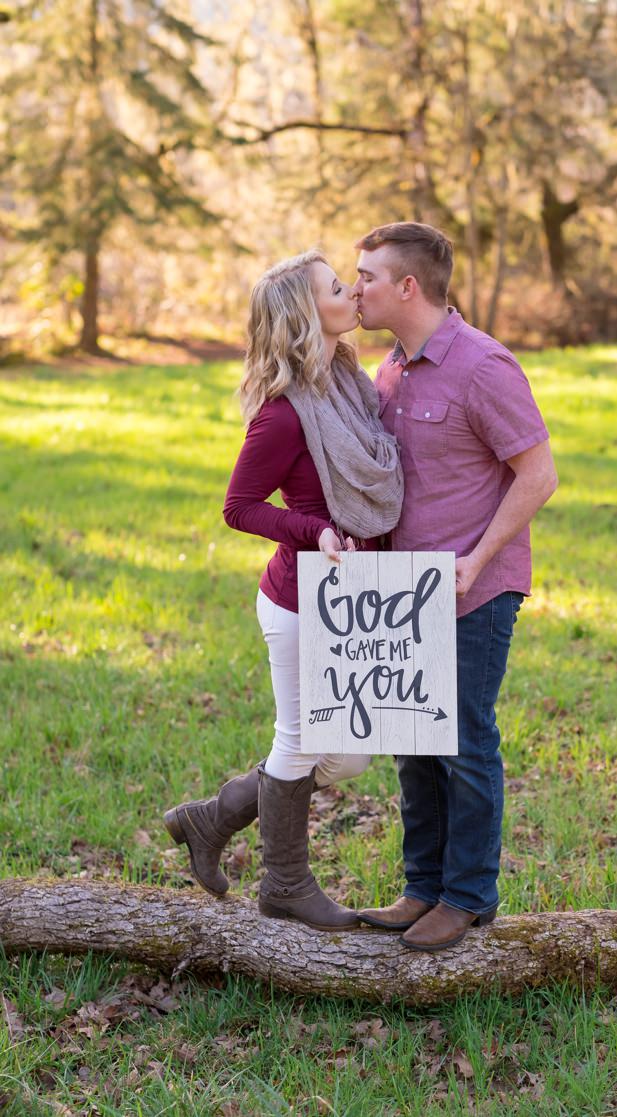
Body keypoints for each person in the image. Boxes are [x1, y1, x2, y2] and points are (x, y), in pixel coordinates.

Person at [164, 250, 404, 930]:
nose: (353, 290)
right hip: (301, 600)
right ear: (308, 315)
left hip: (351, 601)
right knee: (299, 740)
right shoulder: (285, 413)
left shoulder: (349, 384)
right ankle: (286, 884)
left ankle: (213, 817)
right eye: (338, 286)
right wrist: (314, 531)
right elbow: (239, 507)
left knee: (350, 753)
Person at [350, 223, 558, 952]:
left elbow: (539, 475)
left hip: (474, 588)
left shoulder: (483, 366)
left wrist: (477, 557)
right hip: (402, 593)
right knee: (412, 738)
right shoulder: (390, 371)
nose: (356, 288)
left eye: (368, 275)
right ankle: (421, 884)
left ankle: (468, 895)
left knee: (464, 742)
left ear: (409, 286)